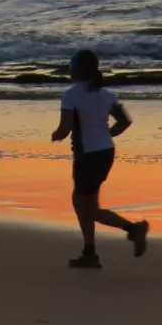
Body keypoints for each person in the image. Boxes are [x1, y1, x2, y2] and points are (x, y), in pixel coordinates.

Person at [50, 49, 149, 268]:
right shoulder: (107, 95)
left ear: (78, 70)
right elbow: (124, 121)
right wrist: (107, 135)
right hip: (105, 152)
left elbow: (65, 129)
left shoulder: (71, 96)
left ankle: (133, 229)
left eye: (72, 66)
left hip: (88, 156)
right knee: (82, 202)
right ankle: (89, 252)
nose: (70, 69)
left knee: (88, 207)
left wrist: (55, 135)